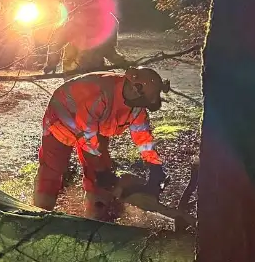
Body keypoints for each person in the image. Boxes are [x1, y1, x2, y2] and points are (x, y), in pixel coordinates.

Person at [32, 67, 171, 221]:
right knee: (53, 168)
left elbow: (143, 136)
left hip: (95, 124)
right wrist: (100, 170)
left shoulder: (136, 105)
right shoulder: (98, 93)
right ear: (134, 87)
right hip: (62, 118)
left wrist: (155, 164)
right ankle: (39, 214)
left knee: (100, 172)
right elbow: (87, 137)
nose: (141, 106)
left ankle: (97, 215)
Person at [44, 0, 130, 74]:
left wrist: (122, 62)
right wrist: (51, 63)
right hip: (74, 71)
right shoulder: (78, 16)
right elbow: (57, 41)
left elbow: (109, 50)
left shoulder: (110, 21)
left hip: (95, 71)